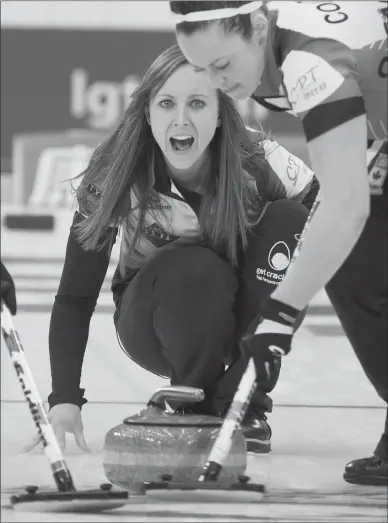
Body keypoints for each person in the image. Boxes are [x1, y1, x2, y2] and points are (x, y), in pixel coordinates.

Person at [26, 44, 318, 456]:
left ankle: (243, 401)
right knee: (196, 265)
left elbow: (336, 224)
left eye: (197, 103)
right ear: (147, 114)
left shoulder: (257, 158)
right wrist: (65, 399)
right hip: (152, 324)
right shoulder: (115, 172)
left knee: (292, 219)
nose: (181, 119)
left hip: (238, 320)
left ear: (220, 114)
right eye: (167, 104)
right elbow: (75, 295)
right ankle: (189, 397)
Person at [169, 1, 388, 485]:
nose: (216, 82)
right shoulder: (269, 52)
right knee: (353, 265)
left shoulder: (309, 58)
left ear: (260, 28)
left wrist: (280, 314)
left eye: (222, 65)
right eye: (203, 69)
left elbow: (346, 204)